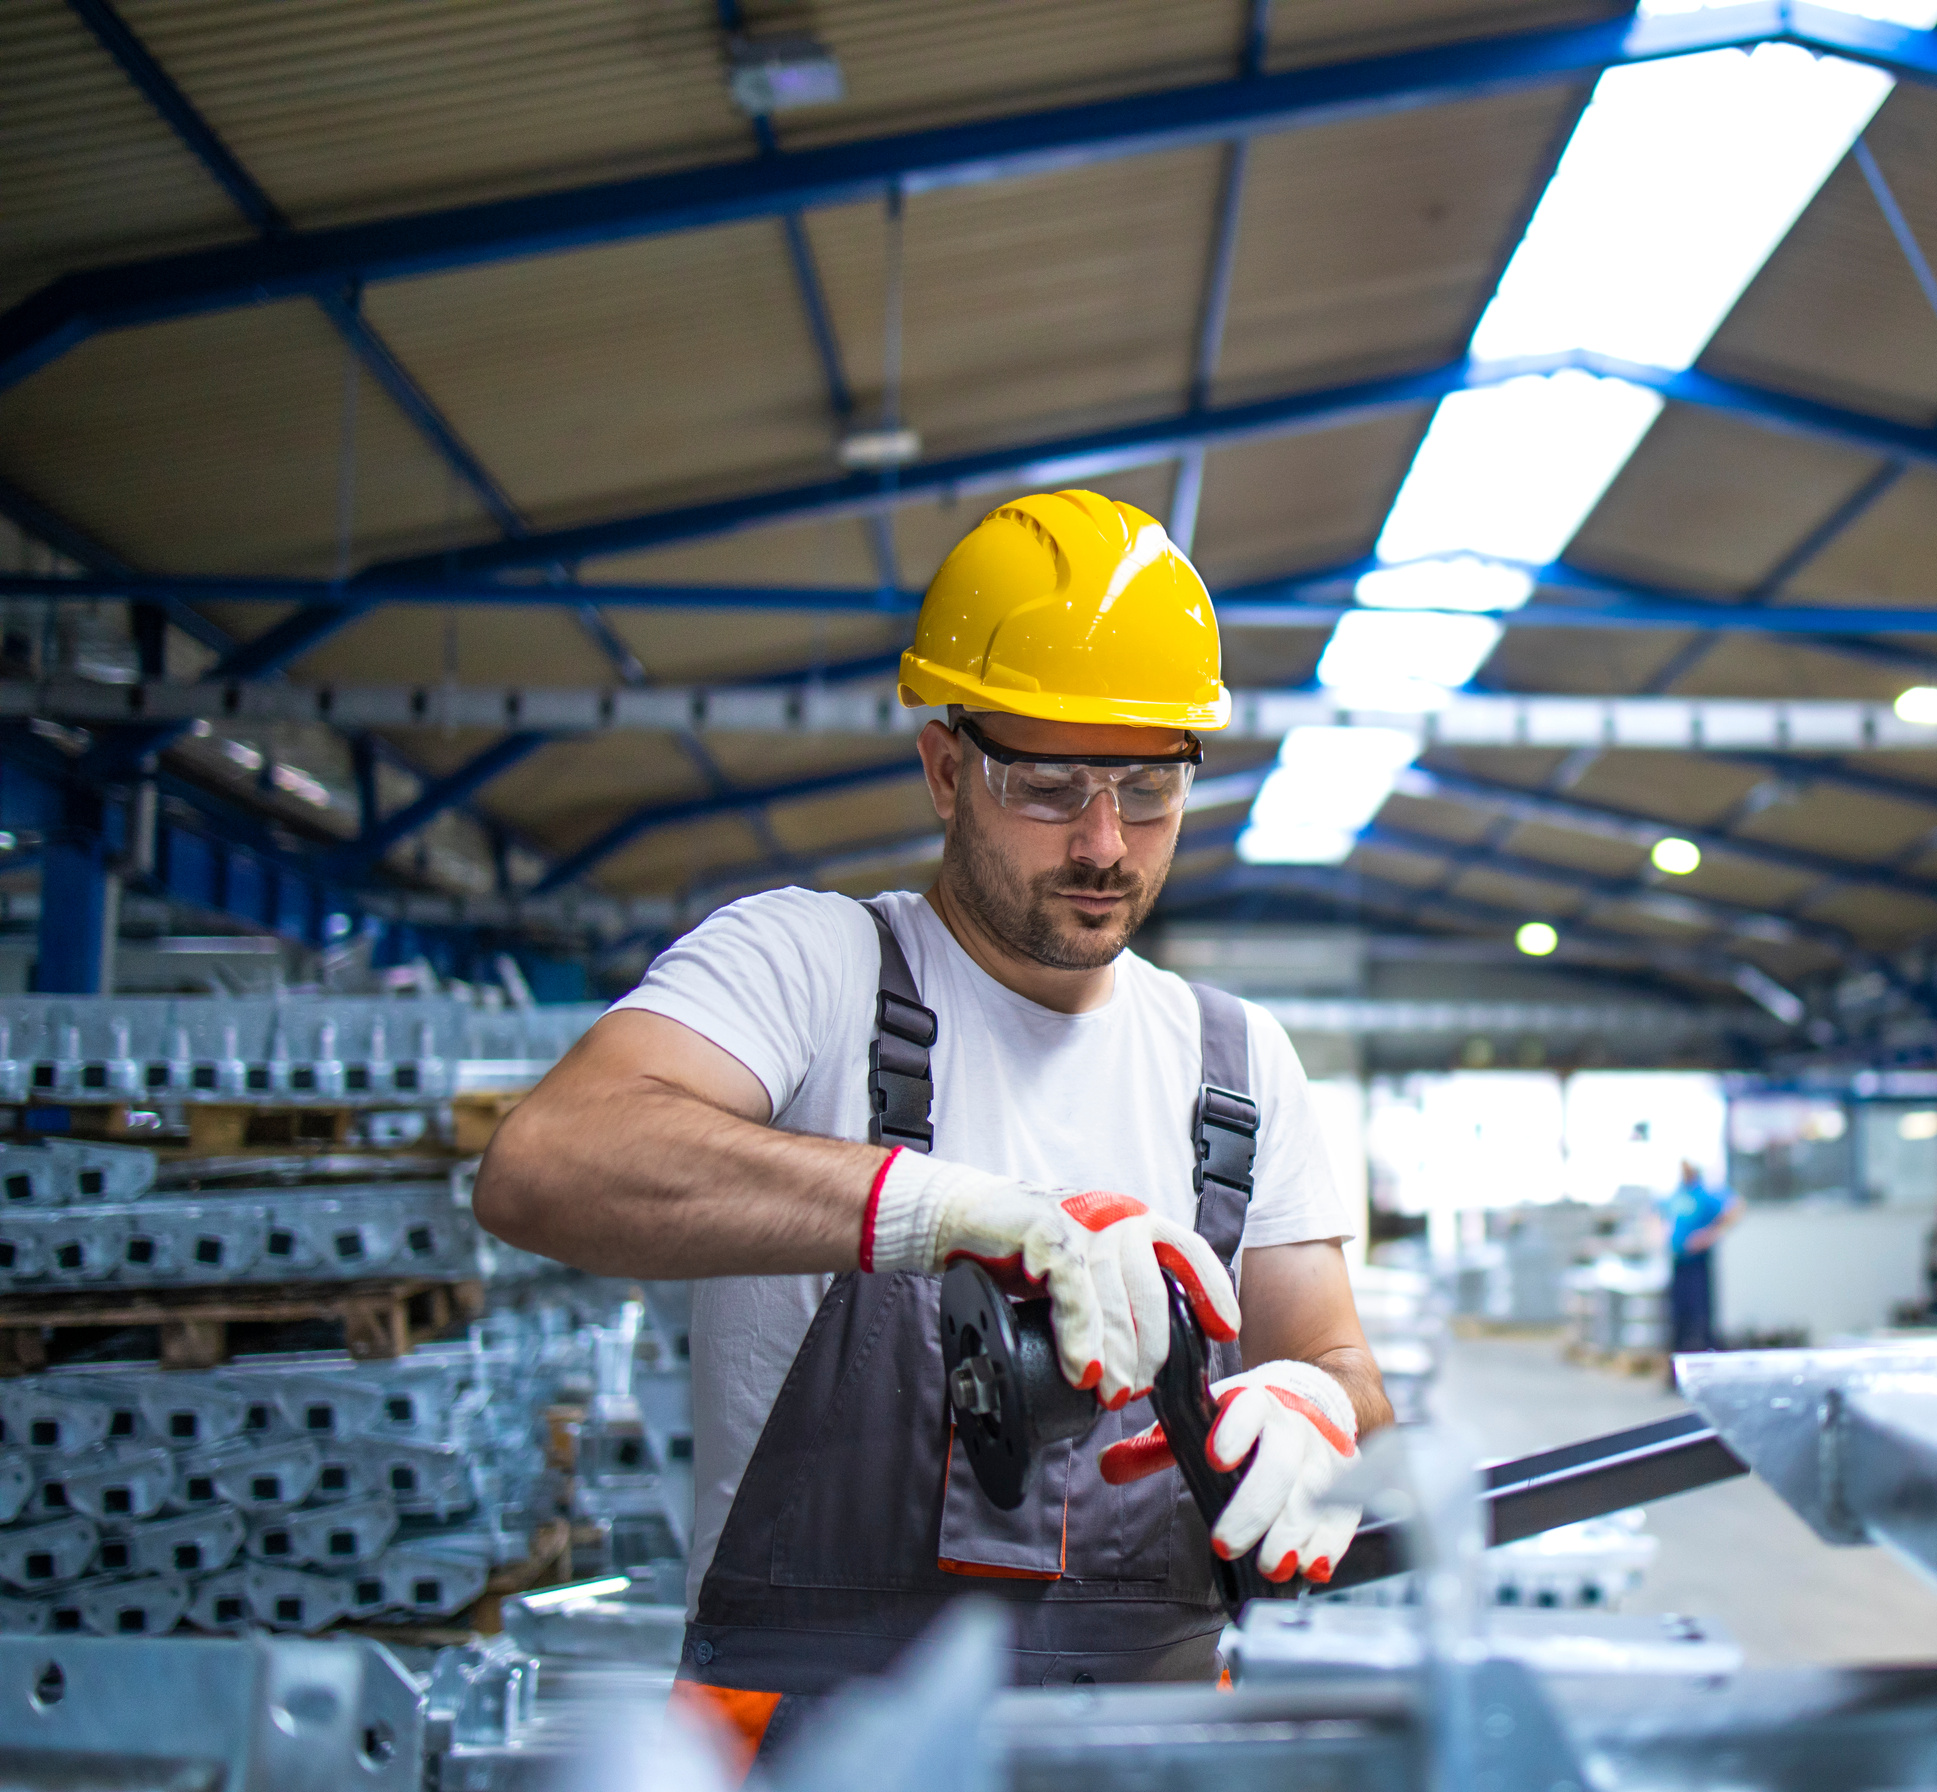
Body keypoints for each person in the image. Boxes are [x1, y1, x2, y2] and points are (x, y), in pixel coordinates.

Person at [473, 490, 1389, 1759]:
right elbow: (544, 1164)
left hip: (1153, 1746)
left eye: (1147, 788)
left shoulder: (1235, 1065)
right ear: (946, 766)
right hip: (808, 1741)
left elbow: (1344, 1371)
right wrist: (949, 1212)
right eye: (1051, 785)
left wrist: (1316, 1409)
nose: (1104, 842)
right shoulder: (810, 968)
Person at [1659, 1159, 1738, 1357]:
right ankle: (1676, 1364)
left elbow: (1736, 1208)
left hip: (1698, 1263)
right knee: (1678, 1316)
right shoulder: (1677, 1194)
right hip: (1679, 1261)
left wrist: (1710, 1235)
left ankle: (1703, 1358)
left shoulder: (1705, 1194)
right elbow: (1655, 1213)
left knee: (1700, 1315)